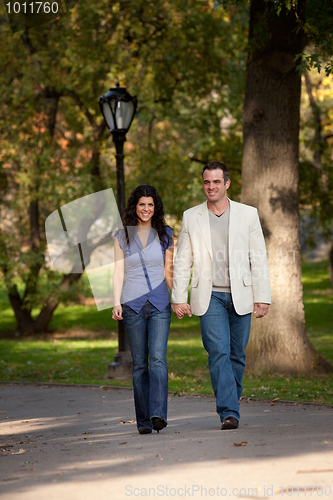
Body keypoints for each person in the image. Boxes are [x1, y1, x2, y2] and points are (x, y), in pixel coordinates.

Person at [172, 161, 271, 430]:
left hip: (241, 293)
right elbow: (182, 260)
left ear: (226, 183)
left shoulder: (247, 214)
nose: (211, 187)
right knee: (218, 351)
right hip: (209, 294)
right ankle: (229, 411)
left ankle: (231, 403)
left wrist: (263, 296)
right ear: (202, 184)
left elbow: (258, 257)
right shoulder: (191, 216)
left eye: (216, 182)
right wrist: (178, 297)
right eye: (207, 182)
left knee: (237, 354)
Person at [112, 185, 174, 435]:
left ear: (155, 207)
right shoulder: (122, 236)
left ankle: (158, 413)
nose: (146, 209)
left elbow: (168, 270)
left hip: (159, 304)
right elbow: (118, 271)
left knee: (158, 359)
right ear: (134, 207)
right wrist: (116, 301)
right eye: (141, 204)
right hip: (133, 306)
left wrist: (180, 298)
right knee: (140, 365)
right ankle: (144, 420)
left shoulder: (166, 234)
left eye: (150, 204)